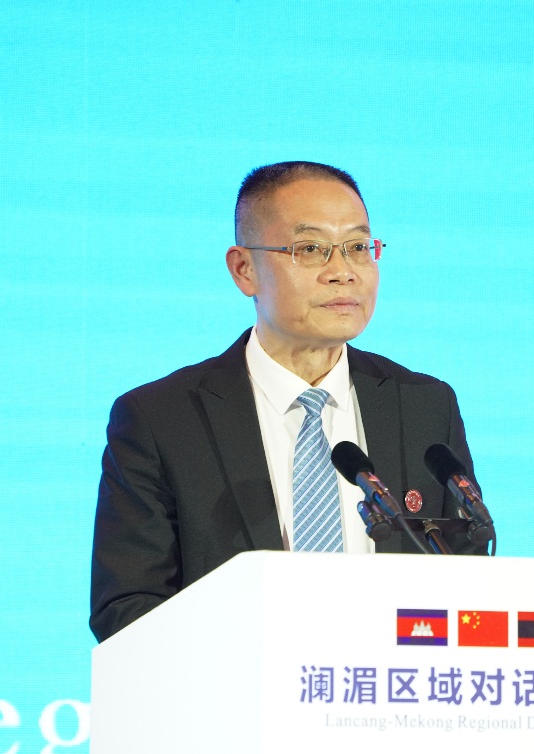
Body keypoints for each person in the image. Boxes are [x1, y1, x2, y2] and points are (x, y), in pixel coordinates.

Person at [90, 161, 481, 642]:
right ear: (244, 270)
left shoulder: (424, 406)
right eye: (311, 249)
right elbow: (128, 610)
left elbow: (467, 587)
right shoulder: (161, 420)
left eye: (358, 247)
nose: (343, 273)